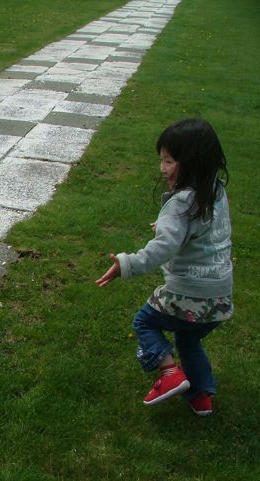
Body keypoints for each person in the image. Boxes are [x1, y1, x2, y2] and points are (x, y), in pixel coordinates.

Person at [95, 118, 233, 416]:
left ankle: (169, 374)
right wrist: (171, 228)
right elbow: (204, 233)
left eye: (169, 161)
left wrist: (126, 264)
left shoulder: (181, 202)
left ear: (192, 163)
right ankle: (201, 396)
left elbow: (162, 248)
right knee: (188, 338)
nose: (162, 168)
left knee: (144, 322)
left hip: (189, 293)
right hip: (220, 297)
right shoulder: (216, 191)